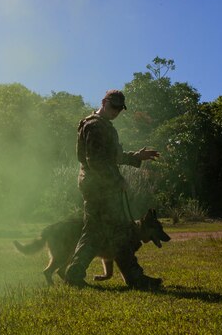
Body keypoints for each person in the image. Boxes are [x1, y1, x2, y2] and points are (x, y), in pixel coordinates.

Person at [64, 89, 161, 289]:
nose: (116, 111)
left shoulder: (104, 126)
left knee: (97, 232)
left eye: (119, 108)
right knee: (116, 232)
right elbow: (96, 162)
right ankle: (135, 278)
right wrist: (118, 182)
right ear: (104, 102)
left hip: (101, 187)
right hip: (99, 188)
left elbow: (113, 156)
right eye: (114, 106)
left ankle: (74, 274)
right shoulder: (95, 126)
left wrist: (136, 156)